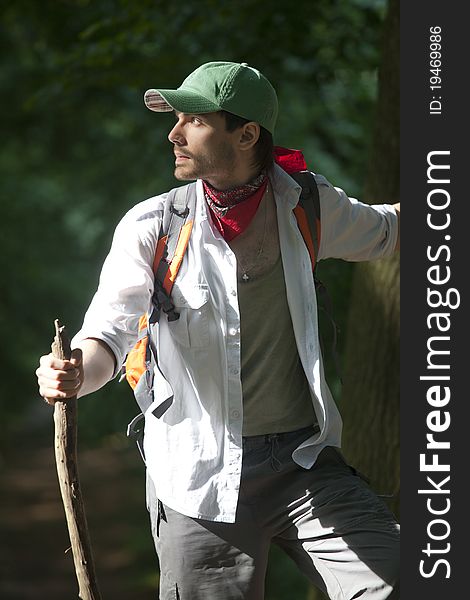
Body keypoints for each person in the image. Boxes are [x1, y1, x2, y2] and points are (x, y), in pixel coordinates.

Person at [36, 61, 400, 600]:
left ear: (247, 134)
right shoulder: (152, 227)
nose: (174, 133)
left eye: (194, 120)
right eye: (176, 119)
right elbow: (110, 335)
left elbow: (392, 230)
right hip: (198, 480)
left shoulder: (308, 205)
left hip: (306, 466)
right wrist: (73, 375)